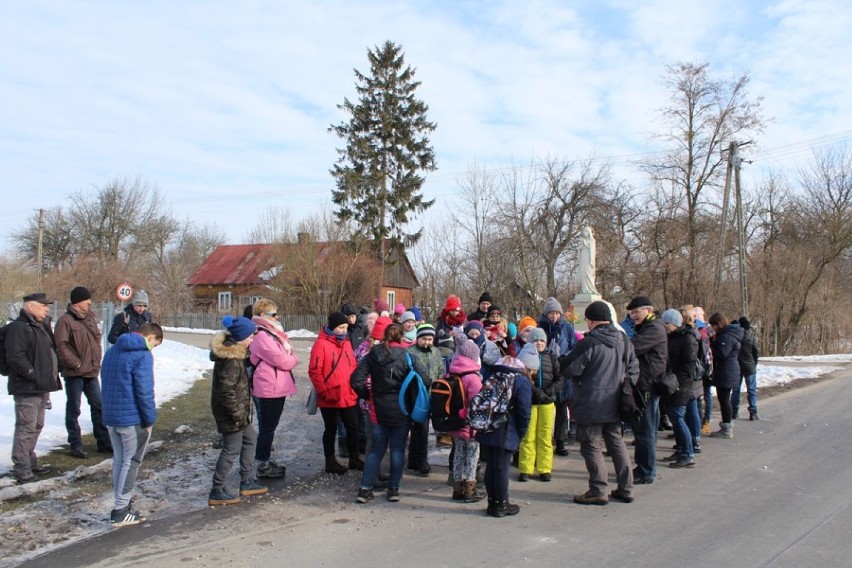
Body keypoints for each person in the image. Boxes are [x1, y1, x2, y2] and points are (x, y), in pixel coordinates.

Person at [561, 301, 638, 505]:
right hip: (616, 401)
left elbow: (570, 368)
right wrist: (624, 387)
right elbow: (633, 368)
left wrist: (559, 360)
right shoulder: (622, 338)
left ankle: (598, 490)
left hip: (590, 401)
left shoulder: (590, 342)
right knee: (617, 444)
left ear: (591, 320)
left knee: (591, 446)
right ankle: (626, 487)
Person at [350, 323, 429, 504]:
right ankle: (393, 489)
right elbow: (426, 380)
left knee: (375, 450)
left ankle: (364, 489)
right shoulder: (408, 356)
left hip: (377, 409)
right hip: (402, 410)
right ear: (401, 337)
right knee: (398, 450)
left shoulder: (373, 354)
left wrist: (366, 394)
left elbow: (355, 380)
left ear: (384, 336)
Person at [101, 322, 163, 526]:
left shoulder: (112, 351)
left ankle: (122, 504)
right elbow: (144, 391)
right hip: (132, 418)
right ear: (151, 338)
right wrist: (149, 419)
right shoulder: (142, 354)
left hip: (112, 416)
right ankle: (120, 509)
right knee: (131, 462)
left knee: (120, 460)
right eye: (155, 344)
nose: (153, 348)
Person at [208, 316, 269, 506]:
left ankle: (247, 480)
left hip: (239, 413)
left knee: (251, 440)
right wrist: (236, 415)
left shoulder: (238, 354)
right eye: (250, 336)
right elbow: (226, 392)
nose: (252, 339)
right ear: (241, 337)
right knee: (231, 449)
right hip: (231, 414)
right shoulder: (230, 360)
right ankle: (217, 489)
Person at [5, 293, 62, 485]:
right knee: (26, 427)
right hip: (27, 387)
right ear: (31, 307)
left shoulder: (39, 326)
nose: (47, 309)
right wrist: (33, 374)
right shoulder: (19, 328)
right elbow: (15, 356)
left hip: (40, 386)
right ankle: (21, 467)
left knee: (36, 426)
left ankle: (29, 460)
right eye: (43, 306)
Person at [54, 286, 111, 459]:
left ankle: (103, 442)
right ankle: (75, 444)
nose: (89, 303)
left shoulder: (90, 318)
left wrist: (96, 361)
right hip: (74, 373)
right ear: (78, 302)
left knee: (99, 406)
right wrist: (76, 363)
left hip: (91, 372)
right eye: (86, 301)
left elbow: (96, 340)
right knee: (74, 408)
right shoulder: (65, 321)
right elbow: (60, 346)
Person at [476, 356, 532, 517]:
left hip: (486, 427)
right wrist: (521, 433)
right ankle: (502, 505)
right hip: (506, 429)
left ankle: (492, 503)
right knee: (501, 468)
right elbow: (524, 411)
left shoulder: (492, 377)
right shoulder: (521, 381)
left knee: (491, 467)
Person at [249, 298, 299, 478]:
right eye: (274, 314)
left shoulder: (272, 333)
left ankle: (265, 459)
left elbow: (287, 354)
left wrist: (290, 357)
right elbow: (283, 360)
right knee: (267, 427)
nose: (278, 317)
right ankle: (262, 463)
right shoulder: (262, 335)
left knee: (269, 426)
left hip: (274, 384)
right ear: (263, 315)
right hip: (269, 386)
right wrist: (293, 359)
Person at [308, 311, 361, 474]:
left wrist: (354, 386)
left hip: (347, 393)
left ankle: (354, 458)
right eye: (340, 327)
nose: (344, 331)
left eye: (345, 327)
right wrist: (323, 391)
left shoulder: (346, 343)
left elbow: (352, 365)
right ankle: (330, 461)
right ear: (332, 327)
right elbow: (314, 371)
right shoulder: (321, 344)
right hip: (330, 395)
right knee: (330, 428)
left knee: (353, 426)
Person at [626, 295, 668, 484]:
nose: (633, 316)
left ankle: (646, 471)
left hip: (648, 385)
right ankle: (643, 467)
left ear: (648, 310)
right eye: (632, 312)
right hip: (645, 383)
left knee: (645, 430)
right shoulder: (648, 327)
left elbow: (633, 348)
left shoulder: (654, 328)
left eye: (637, 312)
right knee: (644, 429)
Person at [516, 338, 562, 482]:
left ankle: (544, 468)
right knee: (528, 436)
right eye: (536, 340)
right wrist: (538, 393)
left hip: (548, 402)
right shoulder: (525, 357)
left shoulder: (552, 357)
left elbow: (560, 378)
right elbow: (524, 379)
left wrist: (549, 392)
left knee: (545, 436)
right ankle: (525, 469)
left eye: (542, 340)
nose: (539, 343)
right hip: (531, 401)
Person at [537, 297, 578, 457]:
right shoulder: (540, 327)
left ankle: (560, 440)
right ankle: (544, 441)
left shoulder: (567, 327)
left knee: (561, 409)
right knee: (545, 408)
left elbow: (573, 346)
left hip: (562, 370)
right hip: (546, 371)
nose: (553, 316)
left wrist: (565, 357)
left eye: (556, 313)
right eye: (551, 313)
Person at [660, 309, 699, 469]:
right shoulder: (672, 338)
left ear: (674, 324)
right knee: (675, 419)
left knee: (678, 419)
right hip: (672, 384)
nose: (664, 327)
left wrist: (676, 382)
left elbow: (689, 365)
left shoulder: (687, 339)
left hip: (680, 386)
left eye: (666, 324)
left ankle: (688, 453)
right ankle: (681, 449)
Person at [447, 337, 484, 503]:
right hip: (470, 424)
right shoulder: (473, 378)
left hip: (455, 422)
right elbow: (478, 403)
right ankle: (470, 490)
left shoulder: (451, 373)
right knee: (473, 455)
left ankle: (457, 488)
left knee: (458, 454)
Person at [405, 324, 444, 477]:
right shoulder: (410, 352)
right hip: (416, 396)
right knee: (420, 429)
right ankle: (421, 462)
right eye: (424, 339)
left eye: (430, 339)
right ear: (418, 338)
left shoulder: (435, 352)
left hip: (432, 395)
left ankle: (414, 461)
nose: (427, 342)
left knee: (421, 429)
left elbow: (441, 370)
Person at [707, 313, 743, 439]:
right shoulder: (730, 334)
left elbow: (722, 353)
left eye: (713, 325)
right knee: (724, 399)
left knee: (724, 400)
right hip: (729, 370)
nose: (713, 328)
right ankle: (727, 425)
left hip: (726, 371)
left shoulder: (726, 337)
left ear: (718, 324)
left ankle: (727, 427)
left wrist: (710, 347)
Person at [734, 316, 760, 421]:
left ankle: (734, 411)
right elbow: (756, 354)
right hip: (750, 367)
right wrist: (754, 364)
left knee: (736, 390)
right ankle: (753, 412)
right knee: (752, 390)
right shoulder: (752, 339)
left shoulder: (736, 338)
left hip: (738, 366)